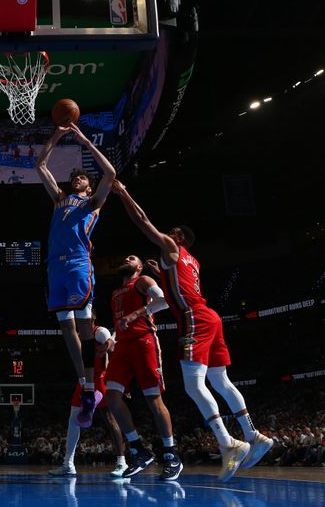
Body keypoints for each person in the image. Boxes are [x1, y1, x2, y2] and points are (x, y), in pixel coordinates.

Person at [112, 180, 272, 482]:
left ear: (179, 238)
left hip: (194, 318)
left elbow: (143, 221)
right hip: (210, 316)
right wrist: (160, 273)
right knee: (220, 380)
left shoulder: (172, 247)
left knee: (193, 385)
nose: (166, 235)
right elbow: (178, 287)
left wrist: (123, 194)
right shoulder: (192, 261)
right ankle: (255, 435)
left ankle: (228, 443)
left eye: (171, 232)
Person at [36, 122, 116, 427]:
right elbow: (39, 164)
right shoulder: (59, 198)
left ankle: (99, 356)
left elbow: (110, 174)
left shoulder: (93, 203)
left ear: (89, 185)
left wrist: (83, 140)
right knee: (65, 329)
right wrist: (56, 134)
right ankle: (85, 386)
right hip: (55, 267)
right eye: (75, 177)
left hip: (79, 264)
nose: (77, 178)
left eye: (82, 177)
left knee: (84, 329)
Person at [103, 255, 182, 479]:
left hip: (144, 341)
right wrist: (113, 338)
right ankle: (138, 450)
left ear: (138, 267)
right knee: (111, 396)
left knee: (153, 398)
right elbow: (121, 321)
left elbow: (165, 300)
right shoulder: (116, 292)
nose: (126, 257)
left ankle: (171, 454)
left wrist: (137, 313)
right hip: (123, 346)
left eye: (132, 257)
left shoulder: (143, 280)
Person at [49, 315, 127, 477]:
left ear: (93, 319)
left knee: (110, 419)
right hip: (84, 381)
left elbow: (111, 345)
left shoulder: (99, 331)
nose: (80, 321)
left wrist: (119, 379)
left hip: (100, 380)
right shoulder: (77, 336)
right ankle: (68, 464)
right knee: (73, 420)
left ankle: (122, 463)